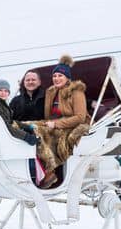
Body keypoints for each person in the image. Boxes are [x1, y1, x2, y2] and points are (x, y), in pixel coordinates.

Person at [35, 55, 89, 188]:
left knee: (44, 134)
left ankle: (49, 171)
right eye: (54, 76)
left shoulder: (76, 92)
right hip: (52, 123)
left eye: (60, 76)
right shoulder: (51, 92)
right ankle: (35, 170)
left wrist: (56, 124)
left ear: (67, 78)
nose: (56, 79)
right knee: (29, 128)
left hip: (70, 125)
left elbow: (80, 117)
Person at [0, 79, 39, 146]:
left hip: (0, 137)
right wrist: (26, 137)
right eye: (0, 90)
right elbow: (4, 126)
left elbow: (10, 121)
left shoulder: (0, 102)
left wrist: (27, 126)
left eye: (6, 91)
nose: (3, 93)